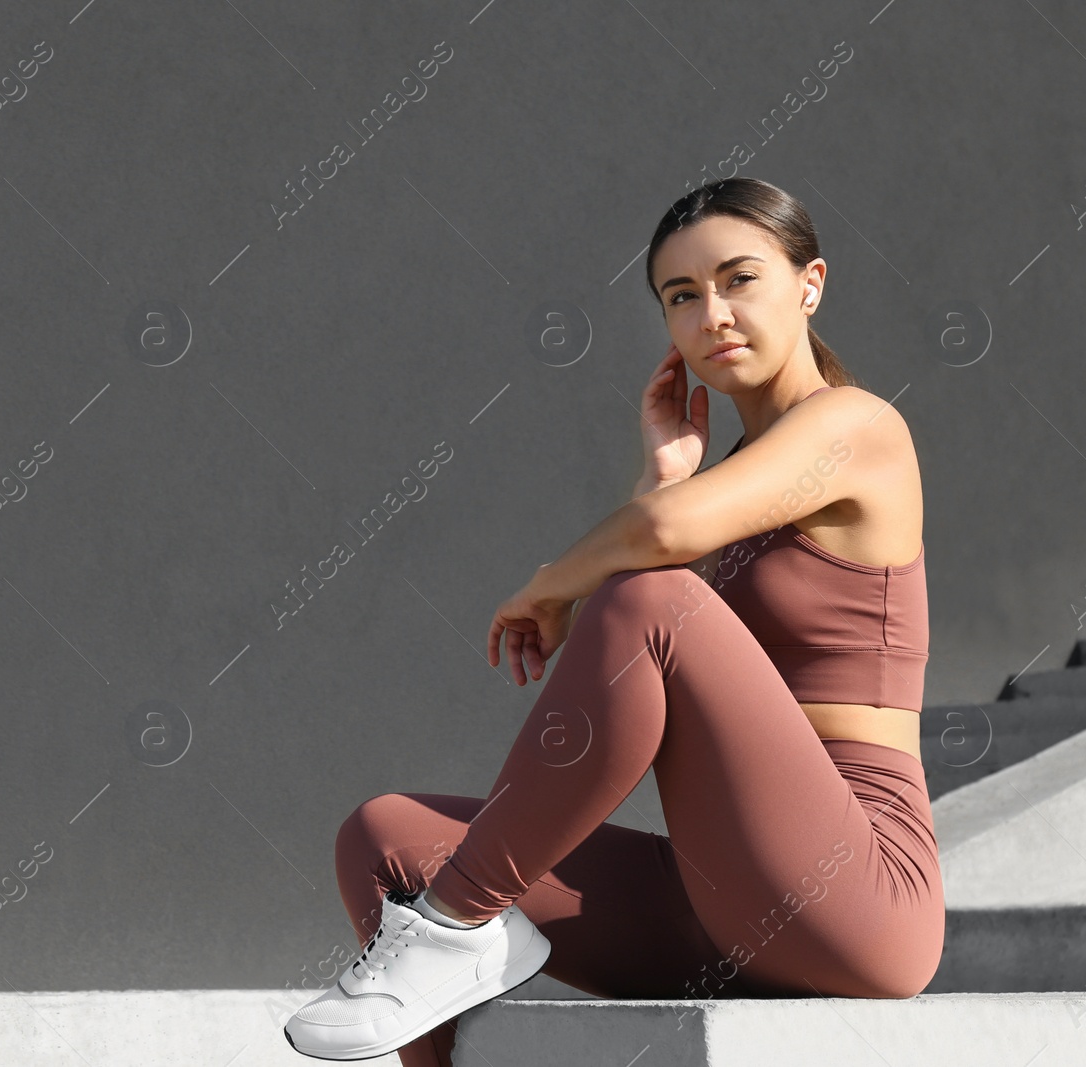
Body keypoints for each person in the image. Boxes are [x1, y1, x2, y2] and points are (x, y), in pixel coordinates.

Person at [283, 177, 943, 1065]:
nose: (713, 312)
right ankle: (449, 948)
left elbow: (657, 570)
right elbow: (666, 538)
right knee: (385, 836)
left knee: (651, 598)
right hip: (720, 898)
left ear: (810, 283)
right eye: (682, 295)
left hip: (858, 890)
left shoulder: (858, 426)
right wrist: (664, 478)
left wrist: (552, 584)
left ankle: (453, 922)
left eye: (740, 278)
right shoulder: (726, 484)